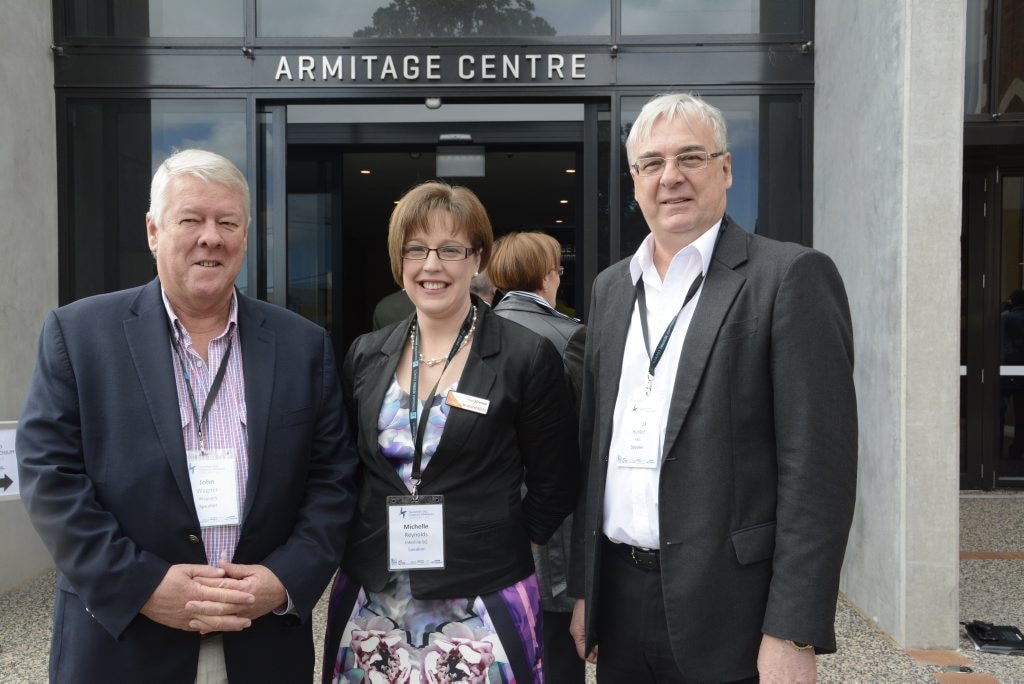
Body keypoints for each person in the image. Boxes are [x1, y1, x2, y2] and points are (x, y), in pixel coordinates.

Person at [16, 149, 360, 682]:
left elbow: (334, 479)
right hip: (124, 644)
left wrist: (282, 579)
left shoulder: (303, 345)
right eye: (191, 219)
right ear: (154, 231)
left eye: (227, 222)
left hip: (261, 642)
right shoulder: (79, 335)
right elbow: (50, 477)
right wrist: (142, 586)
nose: (211, 237)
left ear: (246, 236)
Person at [568, 93, 857, 682]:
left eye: (690, 158)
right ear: (635, 181)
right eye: (652, 164)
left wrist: (794, 630)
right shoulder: (610, 290)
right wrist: (585, 590)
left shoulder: (789, 278)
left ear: (725, 169)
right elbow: (593, 449)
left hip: (732, 612)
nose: (670, 177)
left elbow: (818, 474)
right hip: (619, 602)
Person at [323, 181, 578, 683]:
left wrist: (506, 540)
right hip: (375, 599)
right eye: (416, 249)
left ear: (477, 258)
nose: (431, 265)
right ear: (399, 263)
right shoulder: (366, 353)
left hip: (480, 600)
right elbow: (349, 469)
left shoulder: (525, 355)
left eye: (450, 249)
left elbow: (557, 479)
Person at [489, 230, 586, 683]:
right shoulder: (570, 338)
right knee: (556, 653)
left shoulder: (467, 335)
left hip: (489, 521)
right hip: (553, 530)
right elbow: (588, 438)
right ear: (549, 276)